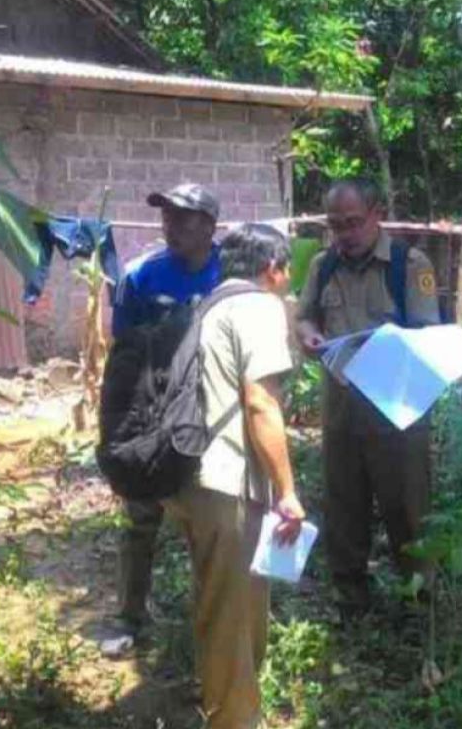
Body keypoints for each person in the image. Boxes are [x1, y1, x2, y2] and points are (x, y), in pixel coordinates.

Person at [164, 222, 305, 729]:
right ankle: (232, 720)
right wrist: (288, 492)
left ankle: (229, 703)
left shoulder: (207, 305)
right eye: (287, 271)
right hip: (225, 481)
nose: (287, 282)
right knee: (231, 613)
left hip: (190, 477)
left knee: (223, 601)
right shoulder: (259, 307)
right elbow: (261, 403)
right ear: (273, 269)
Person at [294, 178, 440, 619]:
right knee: (344, 507)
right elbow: (304, 316)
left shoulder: (408, 264)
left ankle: (419, 602)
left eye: (354, 223)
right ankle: (350, 601)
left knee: (408, 509)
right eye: (336, 225)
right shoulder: (322, 265)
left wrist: (387, 344)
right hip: (341, 411)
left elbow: (427, 336)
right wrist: (309, 336)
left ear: (376, 214)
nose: (345, 233)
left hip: (396, 410)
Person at [104, 182, 221, 655]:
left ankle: (210, 625)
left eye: (184, 217)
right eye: (166, 216)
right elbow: (124, 351)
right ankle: (129, 618)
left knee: (210, 518)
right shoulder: (142, 276)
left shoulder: (230, 273)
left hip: (214, 405)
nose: (170, 225)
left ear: (210, 226)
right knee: (140, 513)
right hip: (155, 404)